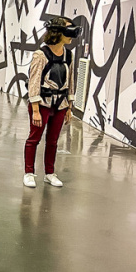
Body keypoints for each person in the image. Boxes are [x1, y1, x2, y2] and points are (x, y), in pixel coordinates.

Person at [23, 17, 80, 188]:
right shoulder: (41, 55)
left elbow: (70, 80)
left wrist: (69, 106)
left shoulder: (69, 55)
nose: (71, 36)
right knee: (34, 138)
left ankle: (49, 173)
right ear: (57, 32)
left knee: (54, 140)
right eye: (68, 31)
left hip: (61, 103)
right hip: (42, 103)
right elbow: (34, 82)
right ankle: (28, 172)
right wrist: (35, 109)